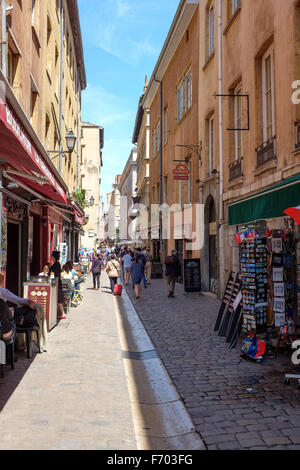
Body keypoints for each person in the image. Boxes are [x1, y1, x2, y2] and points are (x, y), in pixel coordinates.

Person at [49, 251, 66, 320]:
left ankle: (62, 313)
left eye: (52, 256)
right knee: (58, 298)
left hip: (56, 283)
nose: (51, 257)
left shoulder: (56, 264)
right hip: (57, 283)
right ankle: (60, 313)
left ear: (53, 257)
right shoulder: (57, 264)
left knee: (59, 299)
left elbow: (53, 274)